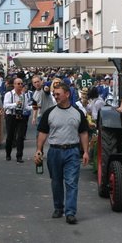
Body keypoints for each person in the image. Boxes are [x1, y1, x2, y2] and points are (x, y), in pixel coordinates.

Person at [34, 82, 89, 225]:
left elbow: (83, 133)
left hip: (72, 151)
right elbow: (42, 133)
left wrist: (86, 152)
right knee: (56, 181)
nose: (55, 96)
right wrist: (39, 150)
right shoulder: (49, 113)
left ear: (67, 94)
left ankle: (70, 212)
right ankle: (58, 207)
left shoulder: (78, 113)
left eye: (58, 94)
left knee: (72, 183)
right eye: (54, 94)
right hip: (54, 151)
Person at [3, 78, 32, 163]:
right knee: (10, 137)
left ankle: (19, 156)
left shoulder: (24, 95)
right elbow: (5, 105)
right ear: (14, 85)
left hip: (21, 116)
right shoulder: (9, 94)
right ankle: (8, 154)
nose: (20, 85)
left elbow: (26, 107)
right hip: (11, 116)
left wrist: (33, 107)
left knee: (20, 137)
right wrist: (15, 105)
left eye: (21, 84)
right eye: (18, 84)